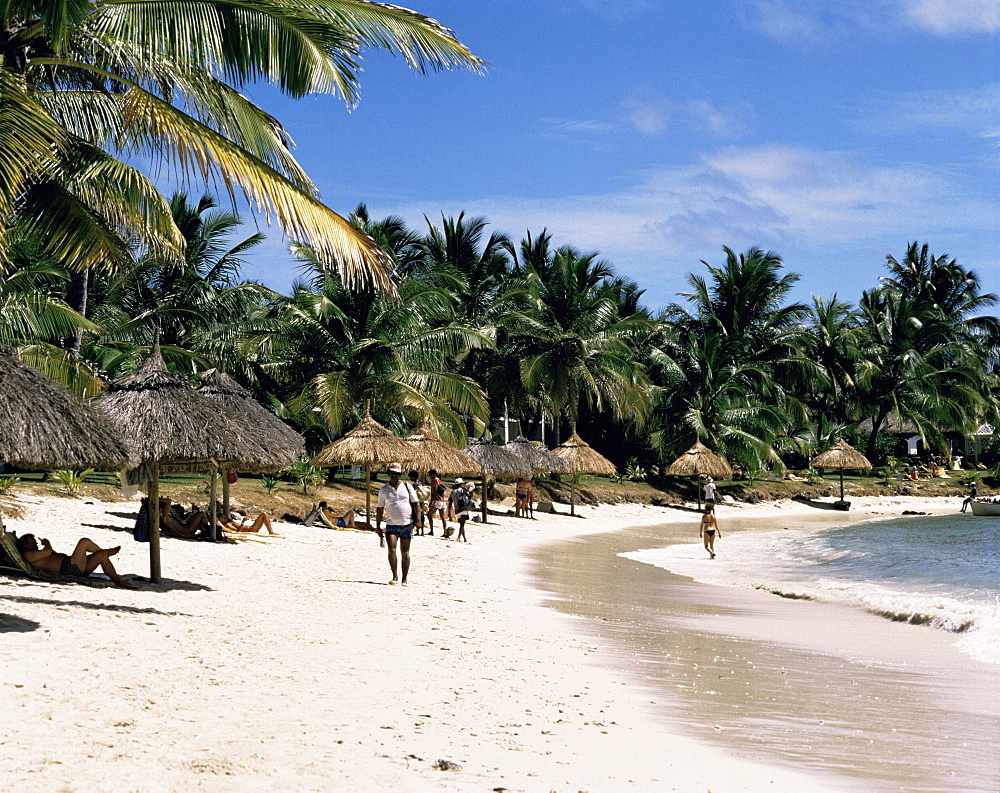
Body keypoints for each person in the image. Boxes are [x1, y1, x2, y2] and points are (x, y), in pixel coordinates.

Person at [16, 533, 135, 589]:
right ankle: (106, 552)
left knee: (102, 556)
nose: (36, 542)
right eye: (32, 541)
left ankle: (118, 582)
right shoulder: (29, 555)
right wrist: (47, 543)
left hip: (74, 566)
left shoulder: (33, 553)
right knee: (84, 542)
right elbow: (48, 552)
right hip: (69, 569)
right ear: (26, 544)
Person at [375, 462, 420, 585]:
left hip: (407, 524)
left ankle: (404, 578)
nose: (393, 475)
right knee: (391, 550)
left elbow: (416, 504)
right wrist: (378, 526)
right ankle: (394, 576)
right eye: (391, 473)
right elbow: (379, 508)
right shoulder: (384, 489)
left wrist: (418, 521)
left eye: (396, 473)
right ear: (388, 474)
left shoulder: (407, 486)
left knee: (405, 553)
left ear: (399, 474)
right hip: (391, 525)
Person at [214, 502, 281, 536]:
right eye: (224, 517)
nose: (226, 517)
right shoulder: (227, 525)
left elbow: (219, 508)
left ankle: (271, 531)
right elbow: (238, 532)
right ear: (221, 521)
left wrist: (231, 510)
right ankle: (271, 532)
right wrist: (243, 521)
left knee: (264, 515)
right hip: (251, 529)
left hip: (251, 527)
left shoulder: (229, 521)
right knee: (264, 514)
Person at [425, 469, 448, 537]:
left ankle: (432, 531)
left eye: (430, 475)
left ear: (434, 474)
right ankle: (445, 532)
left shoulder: (434, 481)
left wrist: (431, 501)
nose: (430, 476)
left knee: (429, 515)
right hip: (442, 500)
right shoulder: (439, 481)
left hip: (437, 501)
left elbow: (434, 492)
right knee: (442, 517)